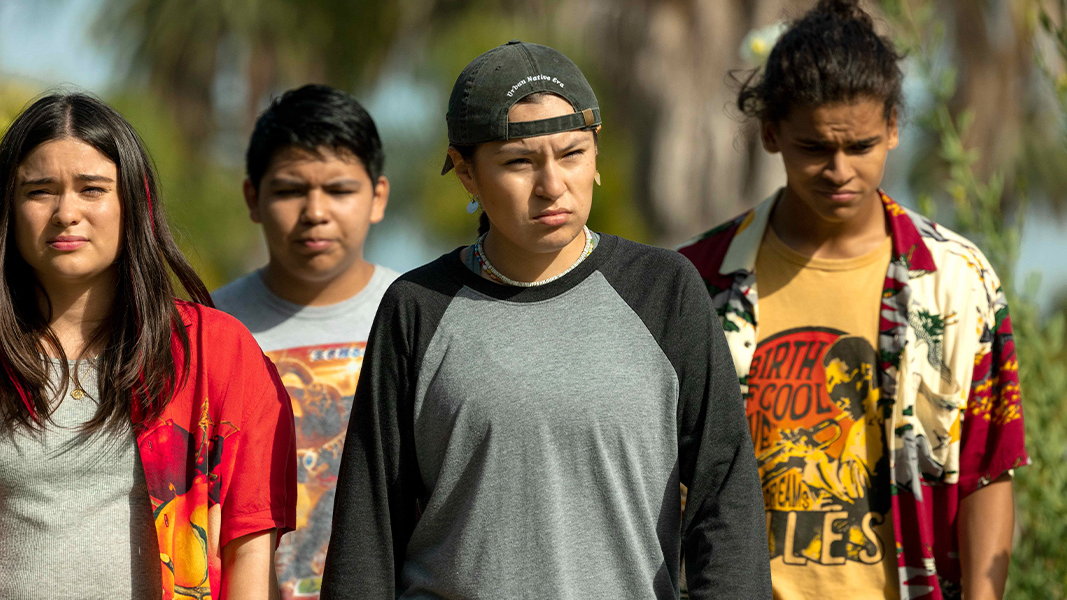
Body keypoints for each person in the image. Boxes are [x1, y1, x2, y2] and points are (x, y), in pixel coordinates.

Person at [321, 40, 771, 599]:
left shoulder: (665, 290)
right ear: (465, 172)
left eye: (572, 154)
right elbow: (369, 525)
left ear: (597, 154)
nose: (552, 185)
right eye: (518, 162)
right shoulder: (417, 307)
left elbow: (725, 498)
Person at [678, 2, 1029, 598]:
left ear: (894, 126)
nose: (839, 170)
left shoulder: (957, 281)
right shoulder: (698, 282)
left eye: (861, 145)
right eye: (814, 148)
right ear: (771, 134)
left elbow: (987, 467)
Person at [0, 93, 297, 600]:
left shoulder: (214, 353)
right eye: (40, 191)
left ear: (134, 203)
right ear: (8, 210)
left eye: (92, 189)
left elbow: (249, 546)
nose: (66, 213)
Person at [212, 83, 398, 599]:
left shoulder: (417, 318)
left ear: (377, 197)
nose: (315, 211)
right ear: (253, 197)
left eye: (340, 190)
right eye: (291, 190)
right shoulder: (206, 328)